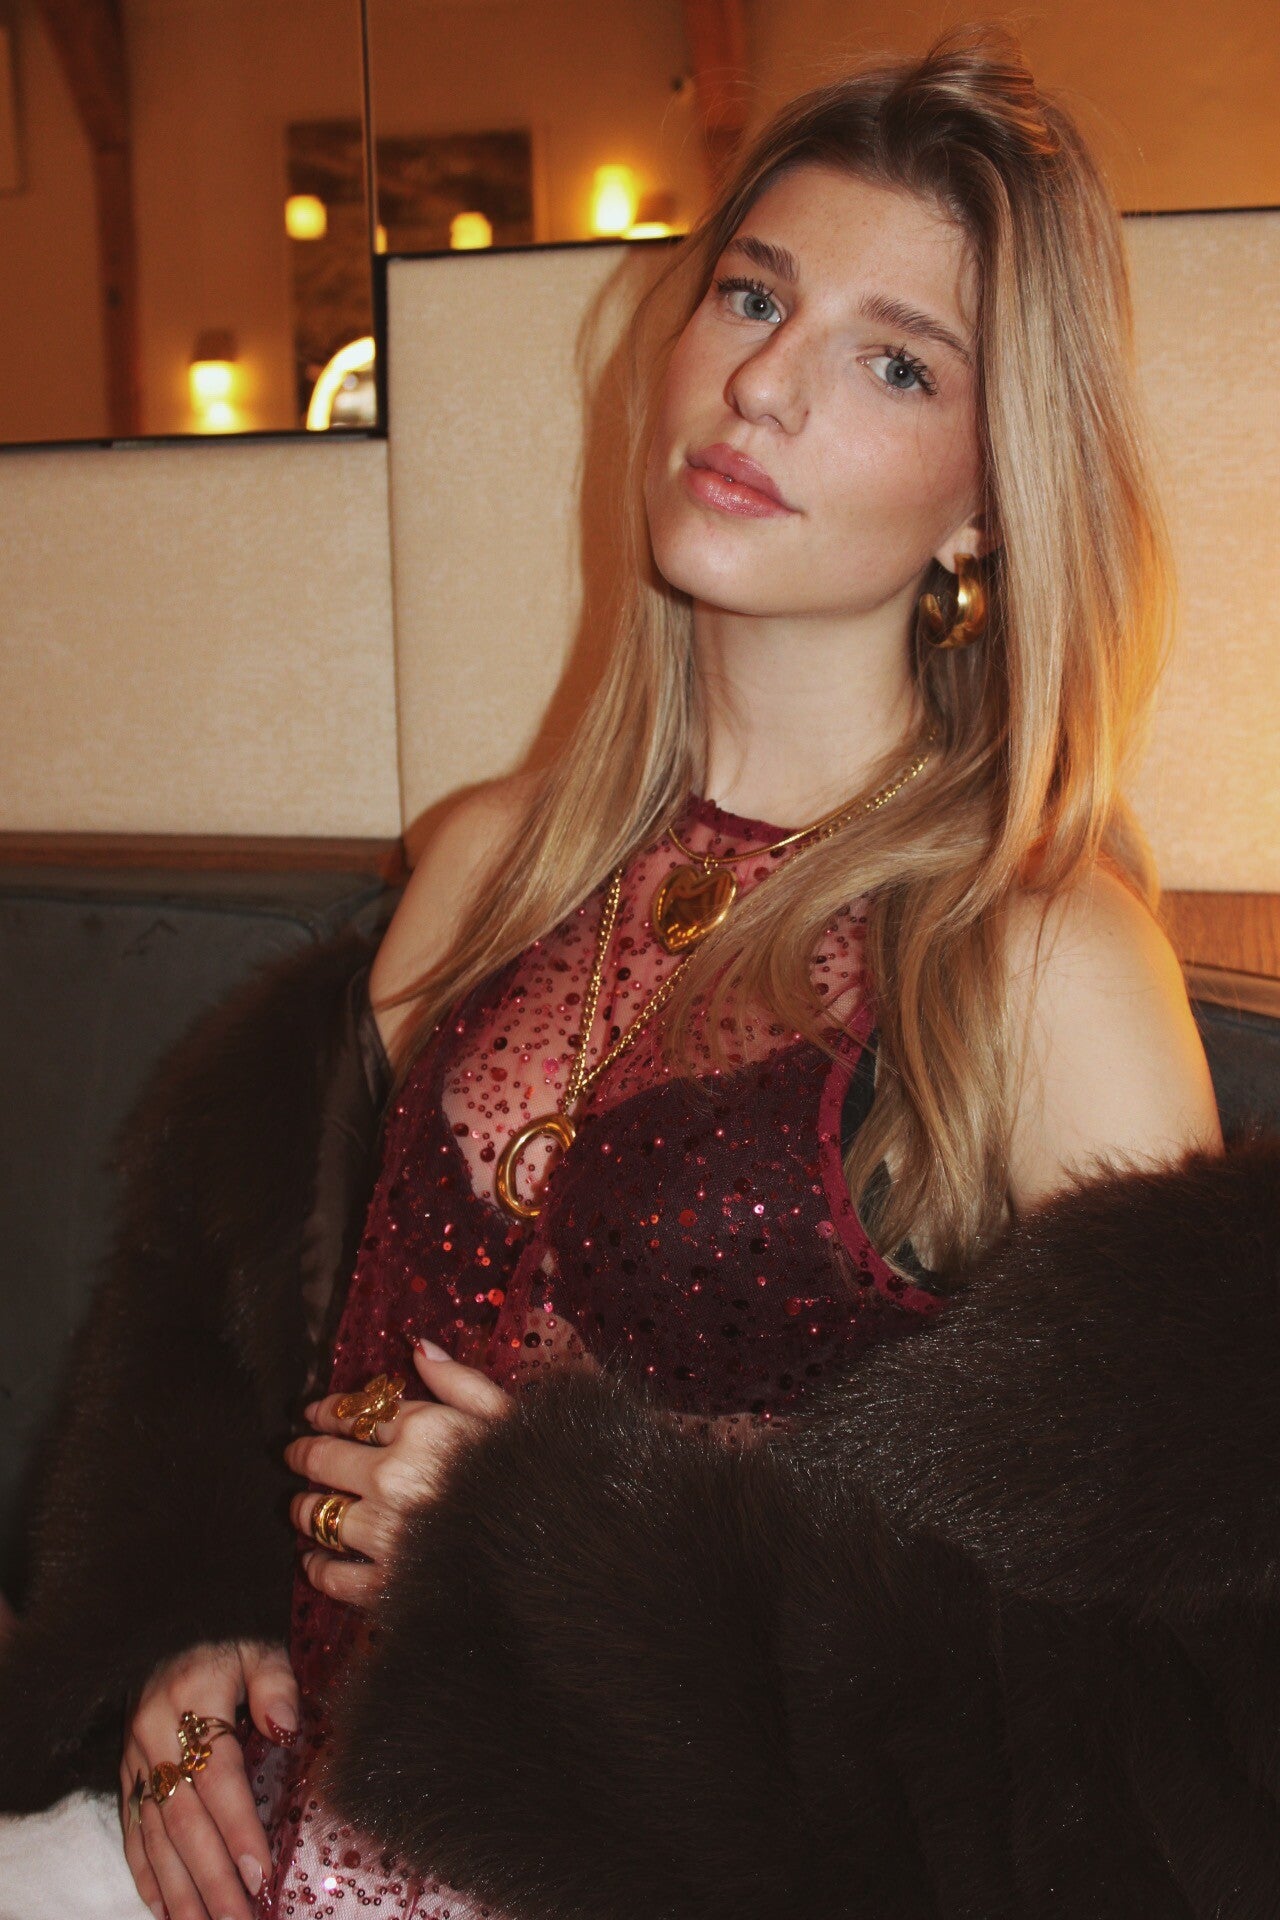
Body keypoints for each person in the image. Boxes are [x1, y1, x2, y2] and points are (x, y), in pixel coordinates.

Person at [1, 24, 1258, 1920]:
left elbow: (1149, 1728)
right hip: (256, 1843)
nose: (763, 383)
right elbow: (245, 1369)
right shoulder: (484, 857)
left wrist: (557, 1566)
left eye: (894, 362)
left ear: (990, 500)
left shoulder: (1033, 960)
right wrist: (174, 1654)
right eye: (753, 295)